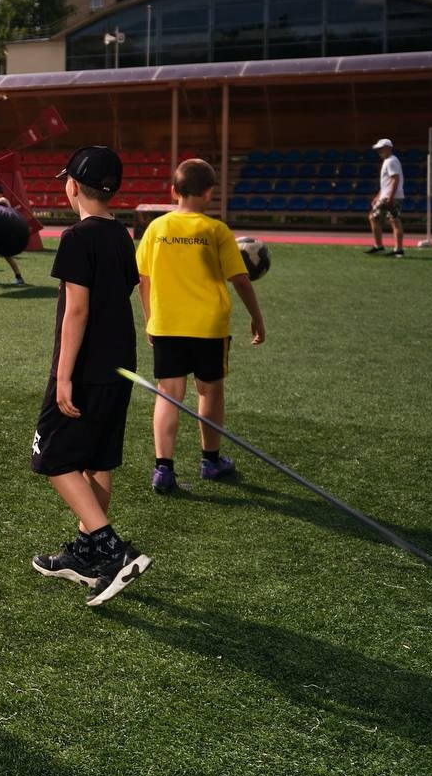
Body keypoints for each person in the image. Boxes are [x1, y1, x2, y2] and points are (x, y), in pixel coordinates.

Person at [30, 146, 152, 607]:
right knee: (98, 459)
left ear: (73, 186)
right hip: (120, 364)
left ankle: (111, 550)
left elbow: (76, 309)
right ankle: (85, 555)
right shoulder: (121, 234)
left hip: (85, 368)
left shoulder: (77, 236)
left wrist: (63, 377)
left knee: (54, 458)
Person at [136, 157, 266, 494]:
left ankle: (163, 469)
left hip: (167, 324)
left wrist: (150, 319)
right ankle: (210, 461)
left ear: (173, 190)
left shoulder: (156, 228)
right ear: (209, 193)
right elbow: (241, 280)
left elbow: (143, 279)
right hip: (209, 326)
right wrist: (257, 317)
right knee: (210, 390)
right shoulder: (217, 231)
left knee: (169, 393)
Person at [365, 138, 405, 258]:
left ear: (388, 148)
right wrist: (378, 196)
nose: (379, 151)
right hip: (388, 196)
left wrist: (390, 197)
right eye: (378, 149)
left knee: (388, 220)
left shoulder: (391, 161)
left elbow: (395, 180)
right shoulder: (389, 160)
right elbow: (387, 183)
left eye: (381, 148)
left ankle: (388, 248)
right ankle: (394, 249)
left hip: (390, 197)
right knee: (388, 219)